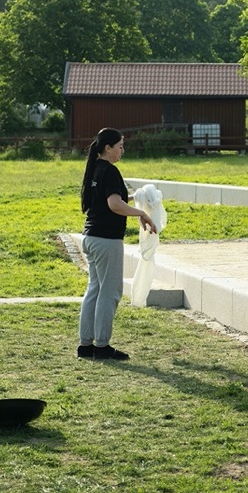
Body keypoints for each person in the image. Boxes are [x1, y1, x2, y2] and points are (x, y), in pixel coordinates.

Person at [77, 128, 155, 361]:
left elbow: (112, 200)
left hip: (91, 238)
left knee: (95, 289)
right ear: (108, 148)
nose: (123, 150)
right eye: (120, 146)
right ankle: (101, 346)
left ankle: (85, 345)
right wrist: (142, 213)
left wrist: (136, 199)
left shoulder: (96, 169)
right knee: (110, 292)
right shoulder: (110, 171)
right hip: (106, 240)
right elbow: (114, 205)